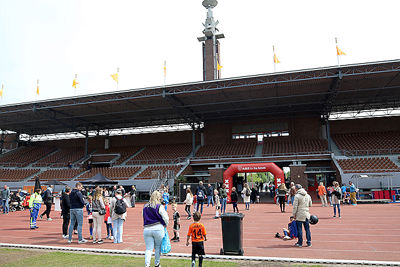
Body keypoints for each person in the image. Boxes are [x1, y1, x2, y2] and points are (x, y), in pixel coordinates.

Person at [143, 191, 169, 267]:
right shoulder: (159, 206)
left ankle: (147, 264)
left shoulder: (145, 206)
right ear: (158, 197)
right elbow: (165, 217)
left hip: (147, 228)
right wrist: (165, 225)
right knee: (158, 247)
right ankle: (157, 263)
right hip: (158, 228)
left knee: (148, 248)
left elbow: (143, 216)